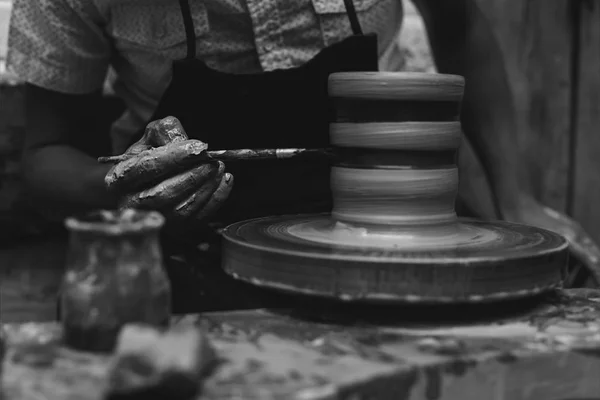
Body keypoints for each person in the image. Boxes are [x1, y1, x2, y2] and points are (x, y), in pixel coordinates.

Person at [7, 0, 600, 305]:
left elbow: (465, 29)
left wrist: (519, 197)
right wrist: (124, 181)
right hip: (187, 238)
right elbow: (46, 153)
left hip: (402, 230)